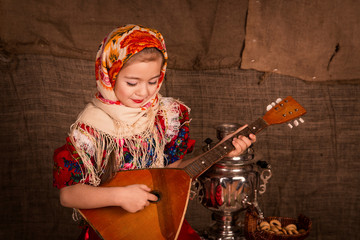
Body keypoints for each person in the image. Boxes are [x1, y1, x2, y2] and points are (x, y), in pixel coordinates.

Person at [53, 24, 256, 240]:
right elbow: (68, 195)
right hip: (113, 231)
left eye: (153, 81)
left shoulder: (166, 116)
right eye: (132, 82)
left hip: (158, 224)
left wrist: (219, 152)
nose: (144, 92)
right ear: (109, 75)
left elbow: (173, 173)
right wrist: (120, 195)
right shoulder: (90, 130)